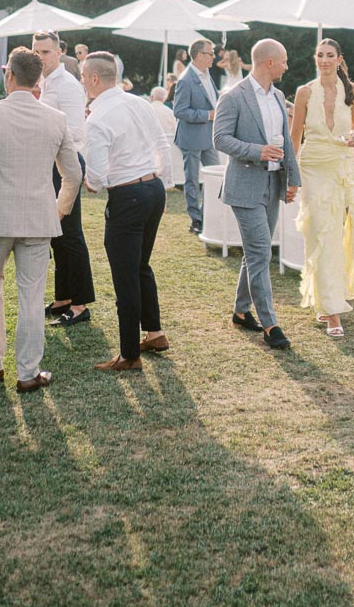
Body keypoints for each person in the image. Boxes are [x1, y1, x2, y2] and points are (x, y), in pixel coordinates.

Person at [0, 47, 81, 391]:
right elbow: (73, 175)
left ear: (9, 75)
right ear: (38, 79)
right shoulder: (55, 119)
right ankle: (28, 373)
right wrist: (58, 210)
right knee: (31, 294)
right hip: (38, 219)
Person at [82, 51, 174, 372]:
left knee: (125, 274)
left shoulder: (96, 118)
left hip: (128, 195)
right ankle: (155, 332)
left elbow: (94, 175)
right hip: (154, 189)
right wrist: (164, 181)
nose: (83, 83)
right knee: (140, 264)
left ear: (95, 79)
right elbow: (163, 144)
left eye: (83, 77)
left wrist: (95, 183)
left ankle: (128, 354)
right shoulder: (140, 103)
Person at [213, 38, 301, 350]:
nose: (287, 67)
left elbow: (287, 142)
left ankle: (240, 310)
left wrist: (293, 178)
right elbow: (220, 139)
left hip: (273, 184)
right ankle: (270, 324)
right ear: (268, 63)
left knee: (255, 252)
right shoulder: (233, 97)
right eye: (284, 61)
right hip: (244, 186)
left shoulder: (278, 96)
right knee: (262, 251)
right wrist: (257, 151)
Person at [290, 38, 354, 340]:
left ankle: (327, 299)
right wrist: (290, 177)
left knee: (337, 234)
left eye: (329, 55)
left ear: (339, 59)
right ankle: (332, 312)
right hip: (312, 167)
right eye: (319, 55)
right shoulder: (304, 92)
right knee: (320, 233)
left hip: (340, 168)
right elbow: (294, 139)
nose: (324, 60)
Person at [32, 30, 95, 326]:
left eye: (45, 52)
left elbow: (77, 133)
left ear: (59, 53)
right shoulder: (42, 82)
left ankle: (81, 304)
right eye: (36, 52)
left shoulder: (67, 85)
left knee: (70, 233)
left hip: (65, 163)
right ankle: (63, 297)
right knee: (55, 232)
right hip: (48, 163)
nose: (40, 57)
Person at [173, 39, 221, 234]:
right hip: (191, 137)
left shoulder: (208, 75)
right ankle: (196, 219)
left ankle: (207, 213)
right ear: (199, 55)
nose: (214, 57)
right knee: (192, 180)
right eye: (210, 53)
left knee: (215, 175)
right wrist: (207, 115)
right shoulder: (185, 79)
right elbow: (179, 111)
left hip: (208, 136)